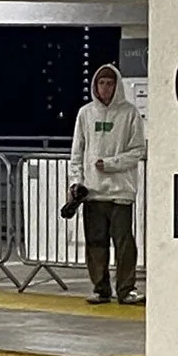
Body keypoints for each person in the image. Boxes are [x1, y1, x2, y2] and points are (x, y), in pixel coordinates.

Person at [69, 63, 146, 304]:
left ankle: (126, 289)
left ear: (117, 85)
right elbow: (77, 152)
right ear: (94, 86)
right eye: (101, 83)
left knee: (124, 243)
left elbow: (138, 150)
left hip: (121, 191)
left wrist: (112, 164)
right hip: (92, 192)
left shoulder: (130, 113)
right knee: (95, 243)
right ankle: (100, 288)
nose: (105, 87)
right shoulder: (85, 114)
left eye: (110, 83)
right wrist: (76, 182)